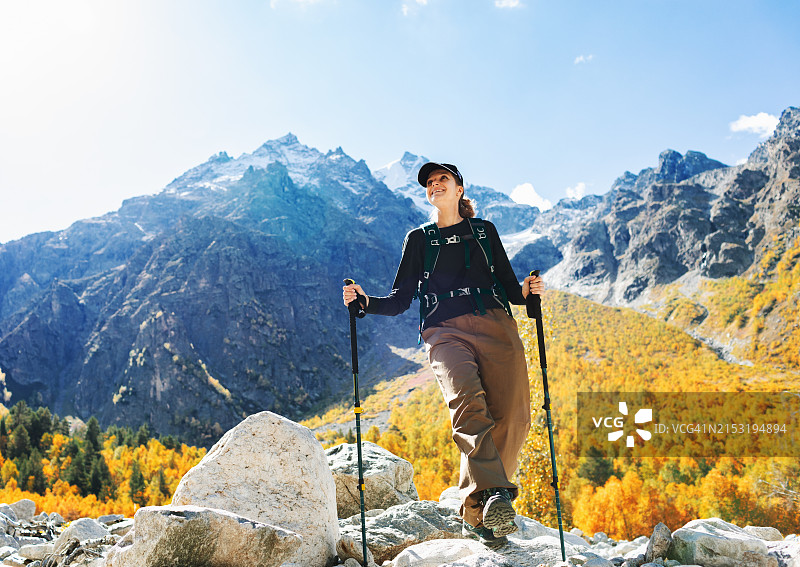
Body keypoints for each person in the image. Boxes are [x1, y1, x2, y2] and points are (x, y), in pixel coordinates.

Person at [343, 162, 544, 548]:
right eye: (429, 182)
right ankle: (496, 495)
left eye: (442, 180)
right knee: (468, 408)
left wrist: (528, 291)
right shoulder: (419, 239)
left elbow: (508, 285)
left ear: (459, 189)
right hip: (444, 331)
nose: (435, 184)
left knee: (514, 417)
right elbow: (400, 299)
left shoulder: (484, 231)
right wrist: (364, 302)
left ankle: (476, 512)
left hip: (497, 324)